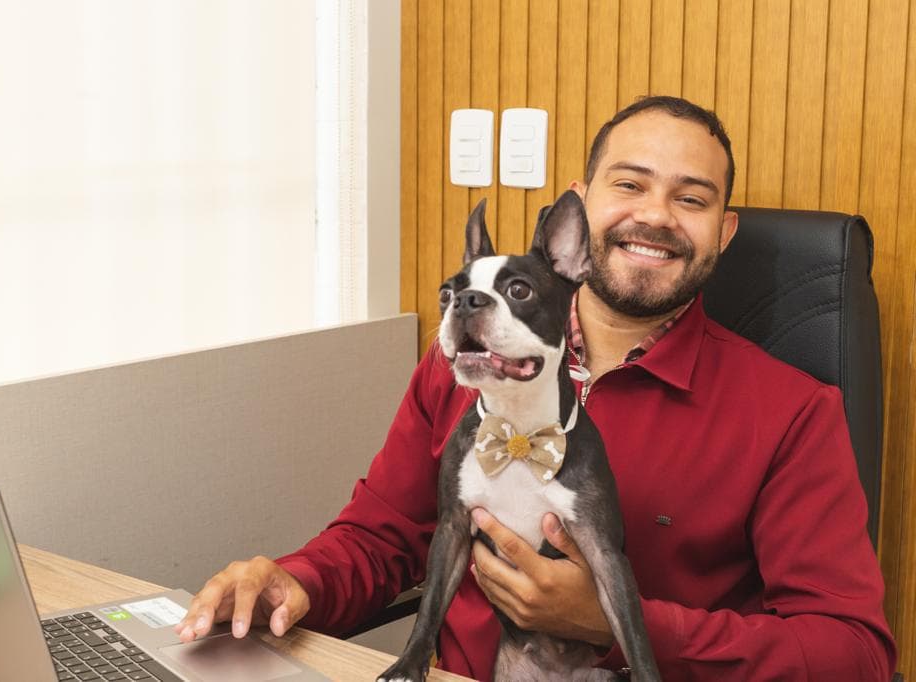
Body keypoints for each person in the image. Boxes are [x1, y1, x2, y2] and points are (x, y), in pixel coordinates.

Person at [175, 96, 897, 680]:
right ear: (576, 215)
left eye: (692, 198)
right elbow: (384, 535)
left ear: (723, 232)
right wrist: (296, 582)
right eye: (629, 183)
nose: (653, 215)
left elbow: (852, 655)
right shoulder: (463, 363)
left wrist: (615, 622)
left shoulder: (792, 412)